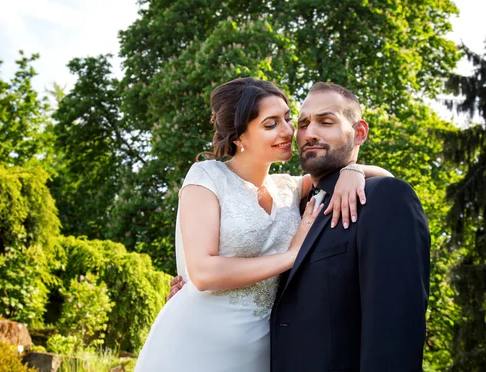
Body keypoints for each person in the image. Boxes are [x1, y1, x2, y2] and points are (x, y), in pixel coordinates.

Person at [168, 82, 431, 371]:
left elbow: (393, 325)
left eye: (288, 120)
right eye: (276, 124)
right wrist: (290, 256)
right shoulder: (211, 177)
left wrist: (354, 169)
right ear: (241, 134)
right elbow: (204, 272)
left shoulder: (289, 190)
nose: (294, 132)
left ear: (359, 133)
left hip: (259, 353)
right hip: (205, 342)